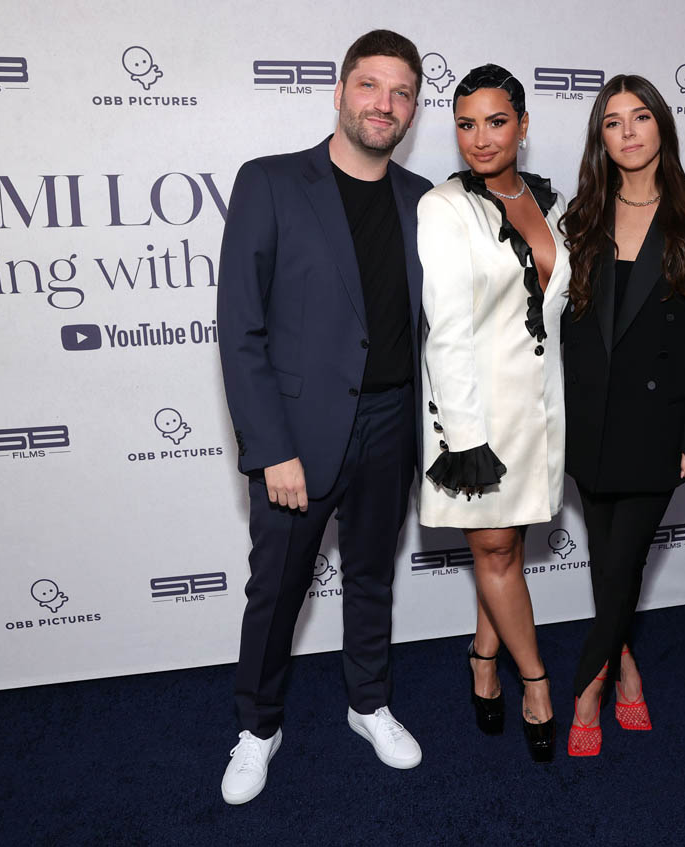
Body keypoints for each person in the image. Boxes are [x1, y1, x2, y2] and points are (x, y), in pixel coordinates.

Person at [215, 30, 433, 804]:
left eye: (402, 92)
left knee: (372, 576)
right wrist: (271, 447)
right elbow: (240, 328)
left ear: (413, 110)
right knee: (277, 589)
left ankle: (368, 703)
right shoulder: (270, 181)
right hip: (298, 436)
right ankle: (258, 727)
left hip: (393, 423)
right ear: (339, 93)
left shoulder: (424, 200)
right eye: (370, 85)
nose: (385, 103)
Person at [558, 74, 685, 756]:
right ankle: (627, 667)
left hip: (658, 423)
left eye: (640, 117)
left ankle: (587, 690)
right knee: (610, 563)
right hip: (588, 418)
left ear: (662, 124)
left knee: (625, 556)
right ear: (600, 138)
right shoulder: (581, 216)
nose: (628, 131)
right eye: (613, 122)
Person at [416, 64, 570, 763]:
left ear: (523, 125)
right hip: (476, 415)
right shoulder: (445, 207)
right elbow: (445, 332)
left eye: (497, 121)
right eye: (466, 124)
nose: (480, 138)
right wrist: (465, 440)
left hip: (538, 410)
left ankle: (483, 657)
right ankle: (534, 681)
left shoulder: (550, 203)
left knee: (505, 546)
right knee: (499, 550)